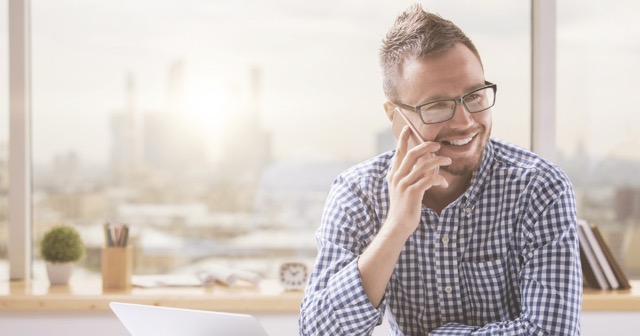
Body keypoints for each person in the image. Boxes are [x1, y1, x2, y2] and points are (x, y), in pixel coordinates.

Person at [299, 4, 582, 336]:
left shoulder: (540, 188)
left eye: (474, 96)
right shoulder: (359, 193)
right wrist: (395, 228)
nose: (465, 122)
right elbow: (317, 331)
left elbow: (553, 332)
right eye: (437, 106)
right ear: (395, 116)